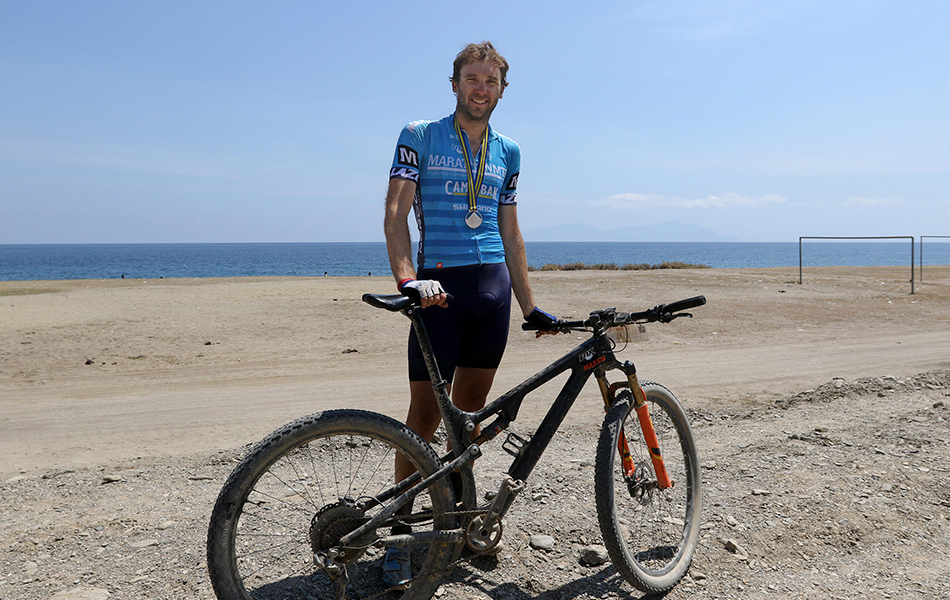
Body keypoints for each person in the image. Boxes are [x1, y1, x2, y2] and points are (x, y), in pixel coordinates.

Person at [381, 41, 555, 588]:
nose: (482, 88)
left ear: (502, 89)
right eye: (472, 79)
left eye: (491, 81)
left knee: (471, 416)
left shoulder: (510, 151)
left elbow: (510, 230)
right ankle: (400, 529)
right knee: (425, 418)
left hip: (492, 291)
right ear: (454, 83)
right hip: (438, 287)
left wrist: (529, 304)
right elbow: (395, 213)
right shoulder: (420, 135)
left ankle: (453, 516)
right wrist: (409, 281)